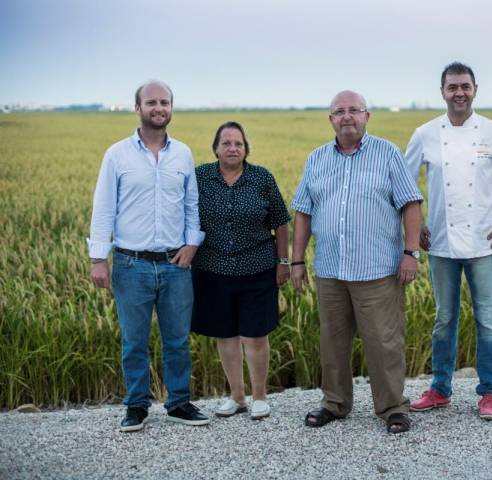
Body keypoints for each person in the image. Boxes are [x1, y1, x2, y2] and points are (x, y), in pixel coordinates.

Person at [405, 62, 492, 419]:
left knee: (487, 321)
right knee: (444, 319)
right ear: (442, 91)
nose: (459, 93)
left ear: (475, 89)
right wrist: (415, 229)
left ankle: (490, 392)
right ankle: (440, 388)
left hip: (483, 245)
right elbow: (402, 182)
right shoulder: (426, 133)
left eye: (465, 86)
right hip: (442, 246)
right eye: (452, 87)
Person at [290, 90, 423, 434]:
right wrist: (296, 261)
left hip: (377, 270)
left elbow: (410, 204)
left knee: (384, 342)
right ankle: (334, 404)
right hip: (331, 269)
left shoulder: (388, 154)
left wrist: (411, 253)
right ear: (330, 119)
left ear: (367, 116)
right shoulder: (317, 158)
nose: (347, 116)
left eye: (354, 110)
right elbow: (303, 211)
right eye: (340, 111)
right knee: (333, 341)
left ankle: (393, 407)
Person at [88, 80, 209, 432]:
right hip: (131, 264)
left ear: (171, 107)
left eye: (165, 102)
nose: (159, 107)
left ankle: (179, 403)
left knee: (177, 340)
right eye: (151, 102)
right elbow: (103, 208)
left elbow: (191, 205)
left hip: (175, 265)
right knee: (134, 341)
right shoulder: (117, 154)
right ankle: (136, 406)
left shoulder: (183, 154)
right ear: (137, 108)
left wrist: (192, 244)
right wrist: (99, 257)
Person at [191, 121, 291, 420]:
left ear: (246, 148)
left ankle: (259, 396)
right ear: (216, 148)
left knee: (256, 335)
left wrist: (283, 262)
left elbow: (281, 221)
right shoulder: (200, 177)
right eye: (226, 143)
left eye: (238, 143)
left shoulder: (261, 178)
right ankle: (237, 397)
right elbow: (185, 216)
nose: (232, 148)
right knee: (225, 335)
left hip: (257, 268)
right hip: (212, 269)